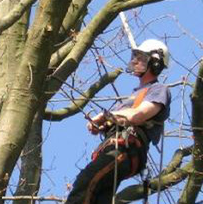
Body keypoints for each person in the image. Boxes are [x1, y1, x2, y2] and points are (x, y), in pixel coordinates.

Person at [65, 39, 173, 204]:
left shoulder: (158, 90)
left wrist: (106, 116)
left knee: (86, 181)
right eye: (134, 57)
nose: (134, 61)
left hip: (126, 149)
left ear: (155, 63)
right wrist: (102, 126)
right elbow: (121, 118)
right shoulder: (130, 99)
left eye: (140, 57)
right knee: (98, 199)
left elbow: (137, 116)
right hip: (113, 148)